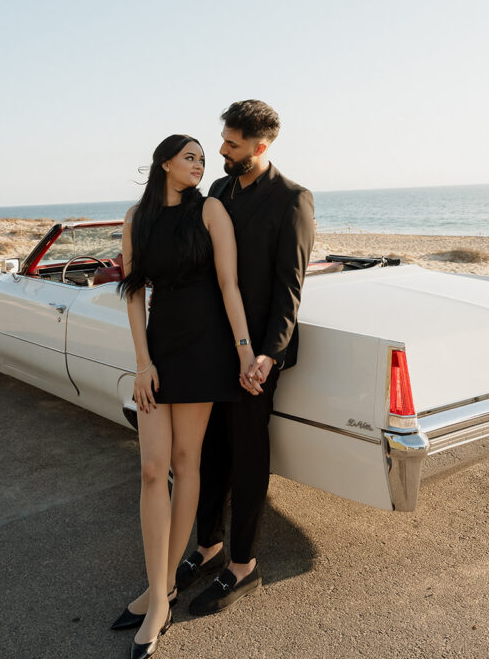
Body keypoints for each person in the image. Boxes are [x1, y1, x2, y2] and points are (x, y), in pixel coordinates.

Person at [111, 134, 256, 659]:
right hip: (160, 349)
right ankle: (159, 588)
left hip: (206, 348)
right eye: (190, 157)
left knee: (184, 460)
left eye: (202, 158)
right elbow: (131, 292)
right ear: (165, 163)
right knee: (152, 468)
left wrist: (243, 351)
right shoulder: (136, 217)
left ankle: (161, 594)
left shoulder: (212, 210)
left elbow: (229, 285)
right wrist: (142, 362)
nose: (200, 164)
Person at [178, 100, 316, 615]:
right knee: (210, 450)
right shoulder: (217, 191)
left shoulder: (293, 199)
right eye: (223, 141)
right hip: (211, 346)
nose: (220, 151)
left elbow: (290, 287)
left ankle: (242, 566)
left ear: (261, 147)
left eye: (231, 145)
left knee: (247, 454)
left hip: (257, 356)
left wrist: (269, 355)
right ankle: (207, 546)